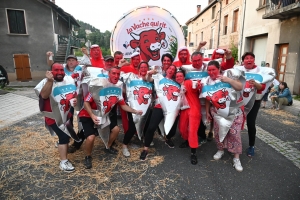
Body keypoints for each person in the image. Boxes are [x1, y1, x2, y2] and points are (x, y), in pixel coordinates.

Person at [79, 67, 142, 169]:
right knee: (91, 138)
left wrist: (135, 111)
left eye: (118, 74)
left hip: (103, 115)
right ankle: (88, 156)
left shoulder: (117, 88)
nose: (116, 76)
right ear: (108, 74)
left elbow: (123, 105)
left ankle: (107, 147)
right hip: (88, 114)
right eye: (113, 73)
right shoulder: (99, 85)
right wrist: (92, 115)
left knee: (116, 129)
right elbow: (86, 102)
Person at [201, 60, 244, 172]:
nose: (211, 72)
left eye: (213, 69)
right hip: (217, 112)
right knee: (219, 132)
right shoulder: (207, 81)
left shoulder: (228, 74)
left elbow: (240, 87)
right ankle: (220, 150)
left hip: (234, 111)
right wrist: (208, 113)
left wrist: (228, 80)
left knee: (235, 134)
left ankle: (236, 158)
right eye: (209, 70)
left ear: (219, 68)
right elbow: (207, 99)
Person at [35, 63, 78, 172]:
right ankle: (63, 162)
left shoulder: (68, 79)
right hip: (53, 117)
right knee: (64, 137)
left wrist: (74, 99)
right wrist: (50, 81)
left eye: (61, 70)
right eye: (56, 70)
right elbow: (44, 96)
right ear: (50, 71)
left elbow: (74, 93)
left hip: (67, 115)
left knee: (66, 135)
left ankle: (61, 144)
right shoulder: (45, 82)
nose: (59, 73)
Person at [234, 52, 275, 157]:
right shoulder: (238, 70)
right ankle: (233, 144)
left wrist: (256, 84)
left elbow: (262, 87)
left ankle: (251, 146)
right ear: (243, 61)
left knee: (251, 124)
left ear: (254, 60)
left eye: (251, 58)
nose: (249, 60)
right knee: (235, 122)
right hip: (239, 101)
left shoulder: (260, 71)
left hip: (254, 101)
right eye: (246, 58)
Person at [140, 65, 180, 160]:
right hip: (160, 106)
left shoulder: (177, 83)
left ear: (175, 72)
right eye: (170, 68)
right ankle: (146, 149)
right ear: (166, 70)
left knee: (172, 130)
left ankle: (167, 138)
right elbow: (147, 79)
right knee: (151, 127)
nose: (171, 70)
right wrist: (150, 73)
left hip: (171, 108)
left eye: (173, 70)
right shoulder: (159, 77)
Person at [121, 61, 153, 157]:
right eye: (141, 67)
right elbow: (118, 76)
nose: (143, 69)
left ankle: (144, 139)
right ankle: (124, 145)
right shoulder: (131, 77)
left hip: (147, 107)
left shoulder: (150, 80)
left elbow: (152, 82)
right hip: (134, 107)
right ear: (138, 69)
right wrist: (120, 65)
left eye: (145, 67)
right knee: (132, 127)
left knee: (146, 125)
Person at [176, 69, 202, 165]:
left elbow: (195, 86)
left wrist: (197, 85)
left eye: (180, 76)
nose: (178, 78)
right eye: (177, 76)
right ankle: (187, 141)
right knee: (182, 128)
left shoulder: (187, 83)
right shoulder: (178, 86)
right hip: (184, 109)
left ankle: (193, 152)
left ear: (184, 76)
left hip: (193, 108)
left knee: (192, 130)